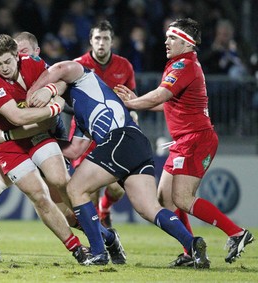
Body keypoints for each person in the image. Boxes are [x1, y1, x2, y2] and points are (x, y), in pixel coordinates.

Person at [25, 59, 210, 268]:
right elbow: (75, 149)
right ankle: (192, 244)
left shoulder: (82, 75)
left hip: (120, 138)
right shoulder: (81, 111)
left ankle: (98, 253)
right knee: (149, 208)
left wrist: (32, 92)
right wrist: (43, 143)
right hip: (137, 143)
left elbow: (59, 69)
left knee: (75, 189)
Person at [118, 18, 254, 266]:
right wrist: (137, 101)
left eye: (172, 38)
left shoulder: (184, 66)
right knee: (165, 199)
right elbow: (167, 102)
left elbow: (160, 95)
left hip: (196, 140)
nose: (166, 42)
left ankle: (237, 233)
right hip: (185, 140)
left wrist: (131, 103)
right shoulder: (177, 65)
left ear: (186, 42)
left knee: (181, 198)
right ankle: (192, 251)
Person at [0, 33, 91, 264]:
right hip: (9, 144)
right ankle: (79, 248)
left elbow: (63, 82)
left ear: (17, 57)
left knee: (60, 181)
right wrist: (53, 108)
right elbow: (16, 116)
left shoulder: (33, 64)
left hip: (38, 135)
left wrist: (51, 91)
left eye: (7, 62)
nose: (3, 68)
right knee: (31, 196)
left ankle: (101, 234)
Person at [72, 20, 137, 228]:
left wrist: (133, 113)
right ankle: (99, 239)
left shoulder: (124, 66)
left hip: (115, 135)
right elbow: (67, 101)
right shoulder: (78, 65)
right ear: (91, 41)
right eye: (97, 38)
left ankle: (105, 208)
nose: (101, 42)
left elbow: (131, 99)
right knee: (89, 191)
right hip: (86, 136)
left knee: (118, 188)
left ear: (112, 41)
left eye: (106, 38)